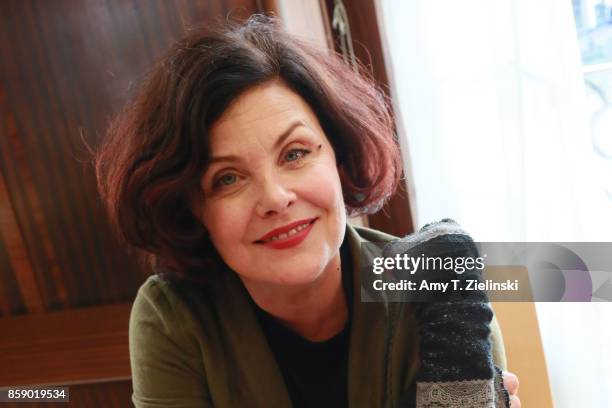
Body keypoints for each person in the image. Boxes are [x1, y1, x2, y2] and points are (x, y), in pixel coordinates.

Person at [94, 14, 520, 408]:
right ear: (191, 207)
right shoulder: (173, 317)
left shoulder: (442, 287)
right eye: (227, 178)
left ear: (339, 154)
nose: (276, 197)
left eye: (295, 153)